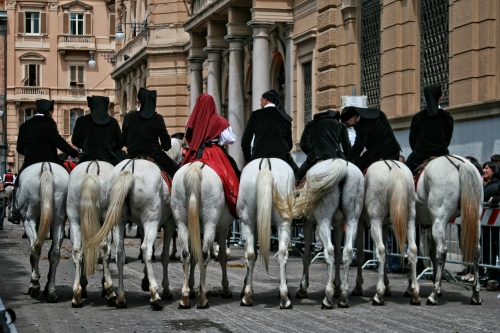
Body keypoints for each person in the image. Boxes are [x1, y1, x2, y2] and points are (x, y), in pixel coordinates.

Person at [10, 99, 79, 223]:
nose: (52, 113)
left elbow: (19, 148)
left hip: (30, 162)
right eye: (52, 111)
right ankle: (70, 208)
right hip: (50, 160)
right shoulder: (49, 122)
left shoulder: (24, 126)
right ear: (48, 111)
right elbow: (57, 141)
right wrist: (73, 152)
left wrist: (30, 154)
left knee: (17, 184)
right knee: (68, 180)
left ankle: (15, 212)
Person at [182, 93, 239, 217]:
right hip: (214, 151)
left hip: (196, 151)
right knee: (232, 174)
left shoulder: (191, 120)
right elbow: (230, 139)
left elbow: (187, 136)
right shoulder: (220, 120)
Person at [122, 88, 179, 177]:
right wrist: (165, 147)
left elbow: (123, 140)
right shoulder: (157, 118)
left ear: (139, 100)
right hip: (154, 156)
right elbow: (165, 141)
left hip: (131, 156)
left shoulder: (128, 117)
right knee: (177, 172)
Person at [241, 90, 298, 173]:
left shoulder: (255, 115)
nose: (261, 103)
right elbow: (289, 144)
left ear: (265, 100)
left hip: (258, 156)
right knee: (299, 176)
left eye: (261, 100)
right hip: (281, 156)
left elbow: (245, 141)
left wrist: (248, 159)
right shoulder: (285, 117)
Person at [405, 85, 454, 172]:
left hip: (420, 155)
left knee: (404, 173)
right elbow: (448, 138)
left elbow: (412, 140)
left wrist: (418, 151)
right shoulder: (448, 117)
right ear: (440, 98)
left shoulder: (418, 117)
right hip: (442, 153)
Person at [295, 110, 351, 184]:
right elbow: (346, 147)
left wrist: (311, 153)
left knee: (298, 178)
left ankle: (297, 193)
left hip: (315, 157)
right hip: (336, 156)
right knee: (351, 176)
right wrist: (349, 159)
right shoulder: (340, 125)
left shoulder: (310, 124)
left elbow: (303, 144)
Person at [340, 106, 401, 171]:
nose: (348, 126)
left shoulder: (361, 125)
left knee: (357, 168)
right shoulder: (378, 113)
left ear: (353, 117)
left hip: (377, 154)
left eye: (347, 123)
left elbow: (358, 146)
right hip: (394, 151)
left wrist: (348, 161)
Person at [72, 95, 123, 165]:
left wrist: (85, 146)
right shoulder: (113, 122)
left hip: (87, 158)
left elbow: (74, 140)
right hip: (109, 159)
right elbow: (120, 142)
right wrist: (111, 149)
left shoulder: (81, 120)